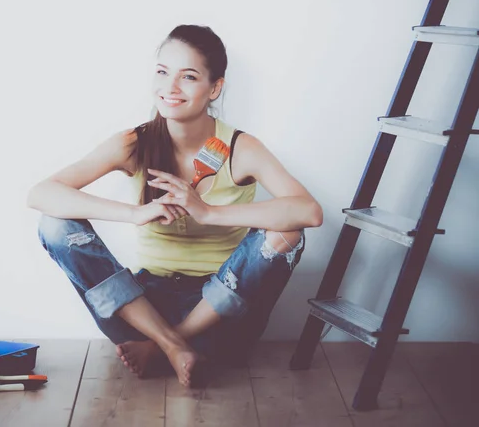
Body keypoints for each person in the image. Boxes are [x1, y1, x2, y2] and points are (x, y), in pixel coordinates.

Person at [27, 24, 323, 388]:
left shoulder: (240, 148)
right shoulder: (134, 143)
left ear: (215, 88)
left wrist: (208, 212)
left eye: (189, 77)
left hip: (220, 313)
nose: (170, 88)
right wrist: (134, 214)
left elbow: (308, 212)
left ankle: (166, 344)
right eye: (163, 72)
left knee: (288, 235)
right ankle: (171, 344)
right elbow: (41, 193)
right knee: (55, 224)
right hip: (142, 309)